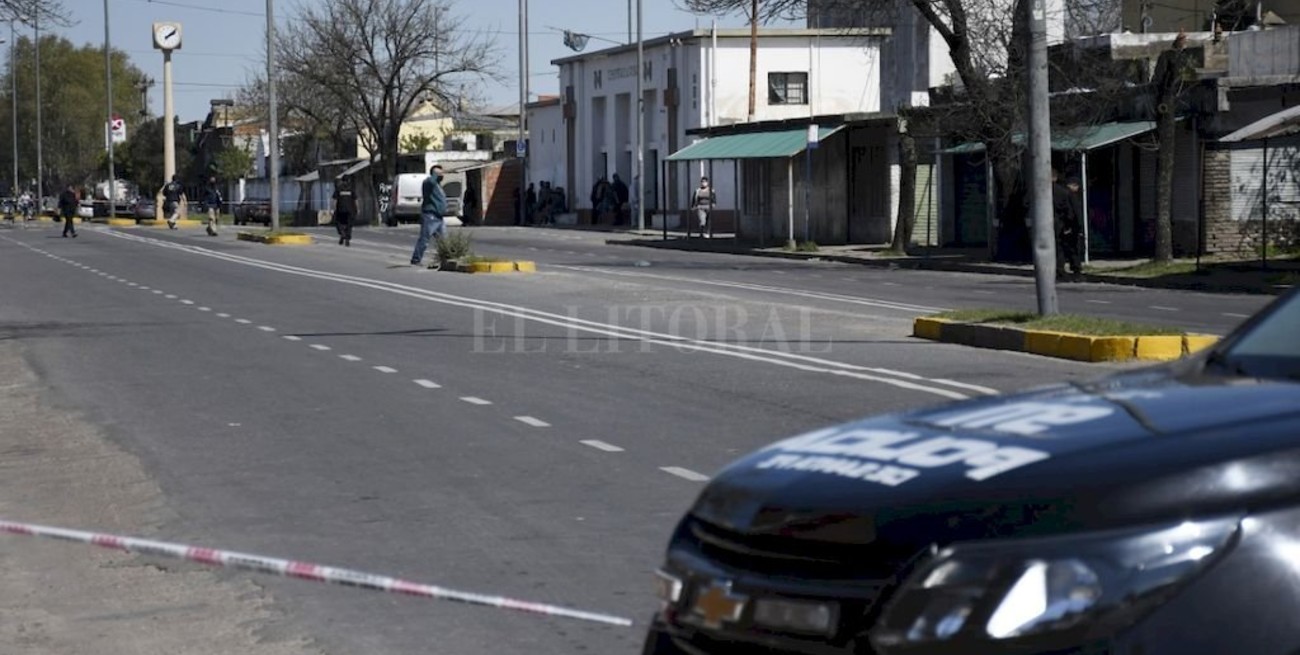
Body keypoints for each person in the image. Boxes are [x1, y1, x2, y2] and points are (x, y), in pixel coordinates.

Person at [410, 164, 448, 269]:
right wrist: (436, 174)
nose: (442, 175)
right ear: (434, 174)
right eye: (439, 173)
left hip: (439, 217)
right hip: (430, 216)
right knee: (424, 239)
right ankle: (416, 259)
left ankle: (446, 259)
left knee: (444, 240)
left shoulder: (438, 185)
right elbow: (431, 181)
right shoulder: (428, 183)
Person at [1051, 169, 1082, 280]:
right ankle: (1074, 270)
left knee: (1059, 248)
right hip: (1062, 223)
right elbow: (1071, 211)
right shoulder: (1064, 192)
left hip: (1054, 224)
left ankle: (1060, 270)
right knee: (1070, 248)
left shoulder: (1042, 191)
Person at [332, 176, 358, 246]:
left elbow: (335, 200)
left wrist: (333, 209)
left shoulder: (338, 188)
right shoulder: (351, 189)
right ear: (349, 180)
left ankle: (342, 234)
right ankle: (347, 238)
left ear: (342, 181)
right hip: (350, 210)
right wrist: (357, 209)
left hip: (340, 209)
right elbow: (355, 199)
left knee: (338, 223)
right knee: (349, 225)